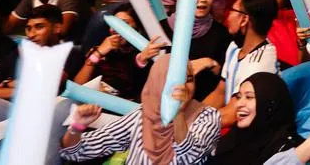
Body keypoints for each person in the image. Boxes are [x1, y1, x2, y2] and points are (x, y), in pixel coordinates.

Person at [59, 54, 221, 164]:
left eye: (189, 79)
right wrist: (77, 127)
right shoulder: (144, 113)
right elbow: (76, 152)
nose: (183, 86)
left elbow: (189, 156)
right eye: (174, 80)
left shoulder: (208, 116)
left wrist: (177, 113)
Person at [0, 5, 82, 165]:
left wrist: (9, 84)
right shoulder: (17, 53)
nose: (31, 34)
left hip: (41, 123)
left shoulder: (69, 54)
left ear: (57, 28)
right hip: (11, 115)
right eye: (28, 28)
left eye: (39, 27)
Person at [211, 73, 310, 165]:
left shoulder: (290, 148)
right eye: (239, 97)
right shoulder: (230, 136)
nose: (239, 103)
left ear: (269, 105)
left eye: (249, 97)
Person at [205, 0, 280, 125]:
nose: (228, 16)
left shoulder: (259, 63)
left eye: (232, 10)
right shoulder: (234, 47)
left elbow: (232, 114)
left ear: (244, 19)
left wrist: (192, 124)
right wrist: (193, 114)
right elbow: (220, 92)